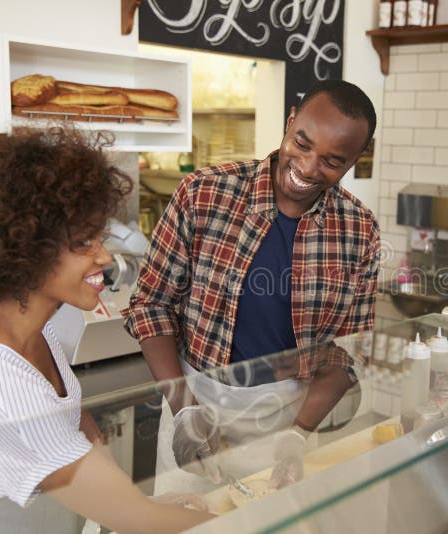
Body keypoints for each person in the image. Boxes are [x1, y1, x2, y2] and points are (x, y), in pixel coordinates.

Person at [0, 128, 213, 533]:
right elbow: (140, 523)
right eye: (83, 242)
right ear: (26, 247)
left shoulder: (13, 320)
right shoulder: (4, 390)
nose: (105, 255)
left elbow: (75, 419)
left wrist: (125, 502)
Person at [123, 79, 380, 494]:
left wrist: (297, 436)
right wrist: (185, 411)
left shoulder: (359, 229)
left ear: (354, 160)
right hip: (192, 399)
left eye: (333, 161)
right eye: (303, 143)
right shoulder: (204, 192)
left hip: (286, 417)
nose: (309, 168)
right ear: (291, 120)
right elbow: (151, 305)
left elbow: (347, 351)